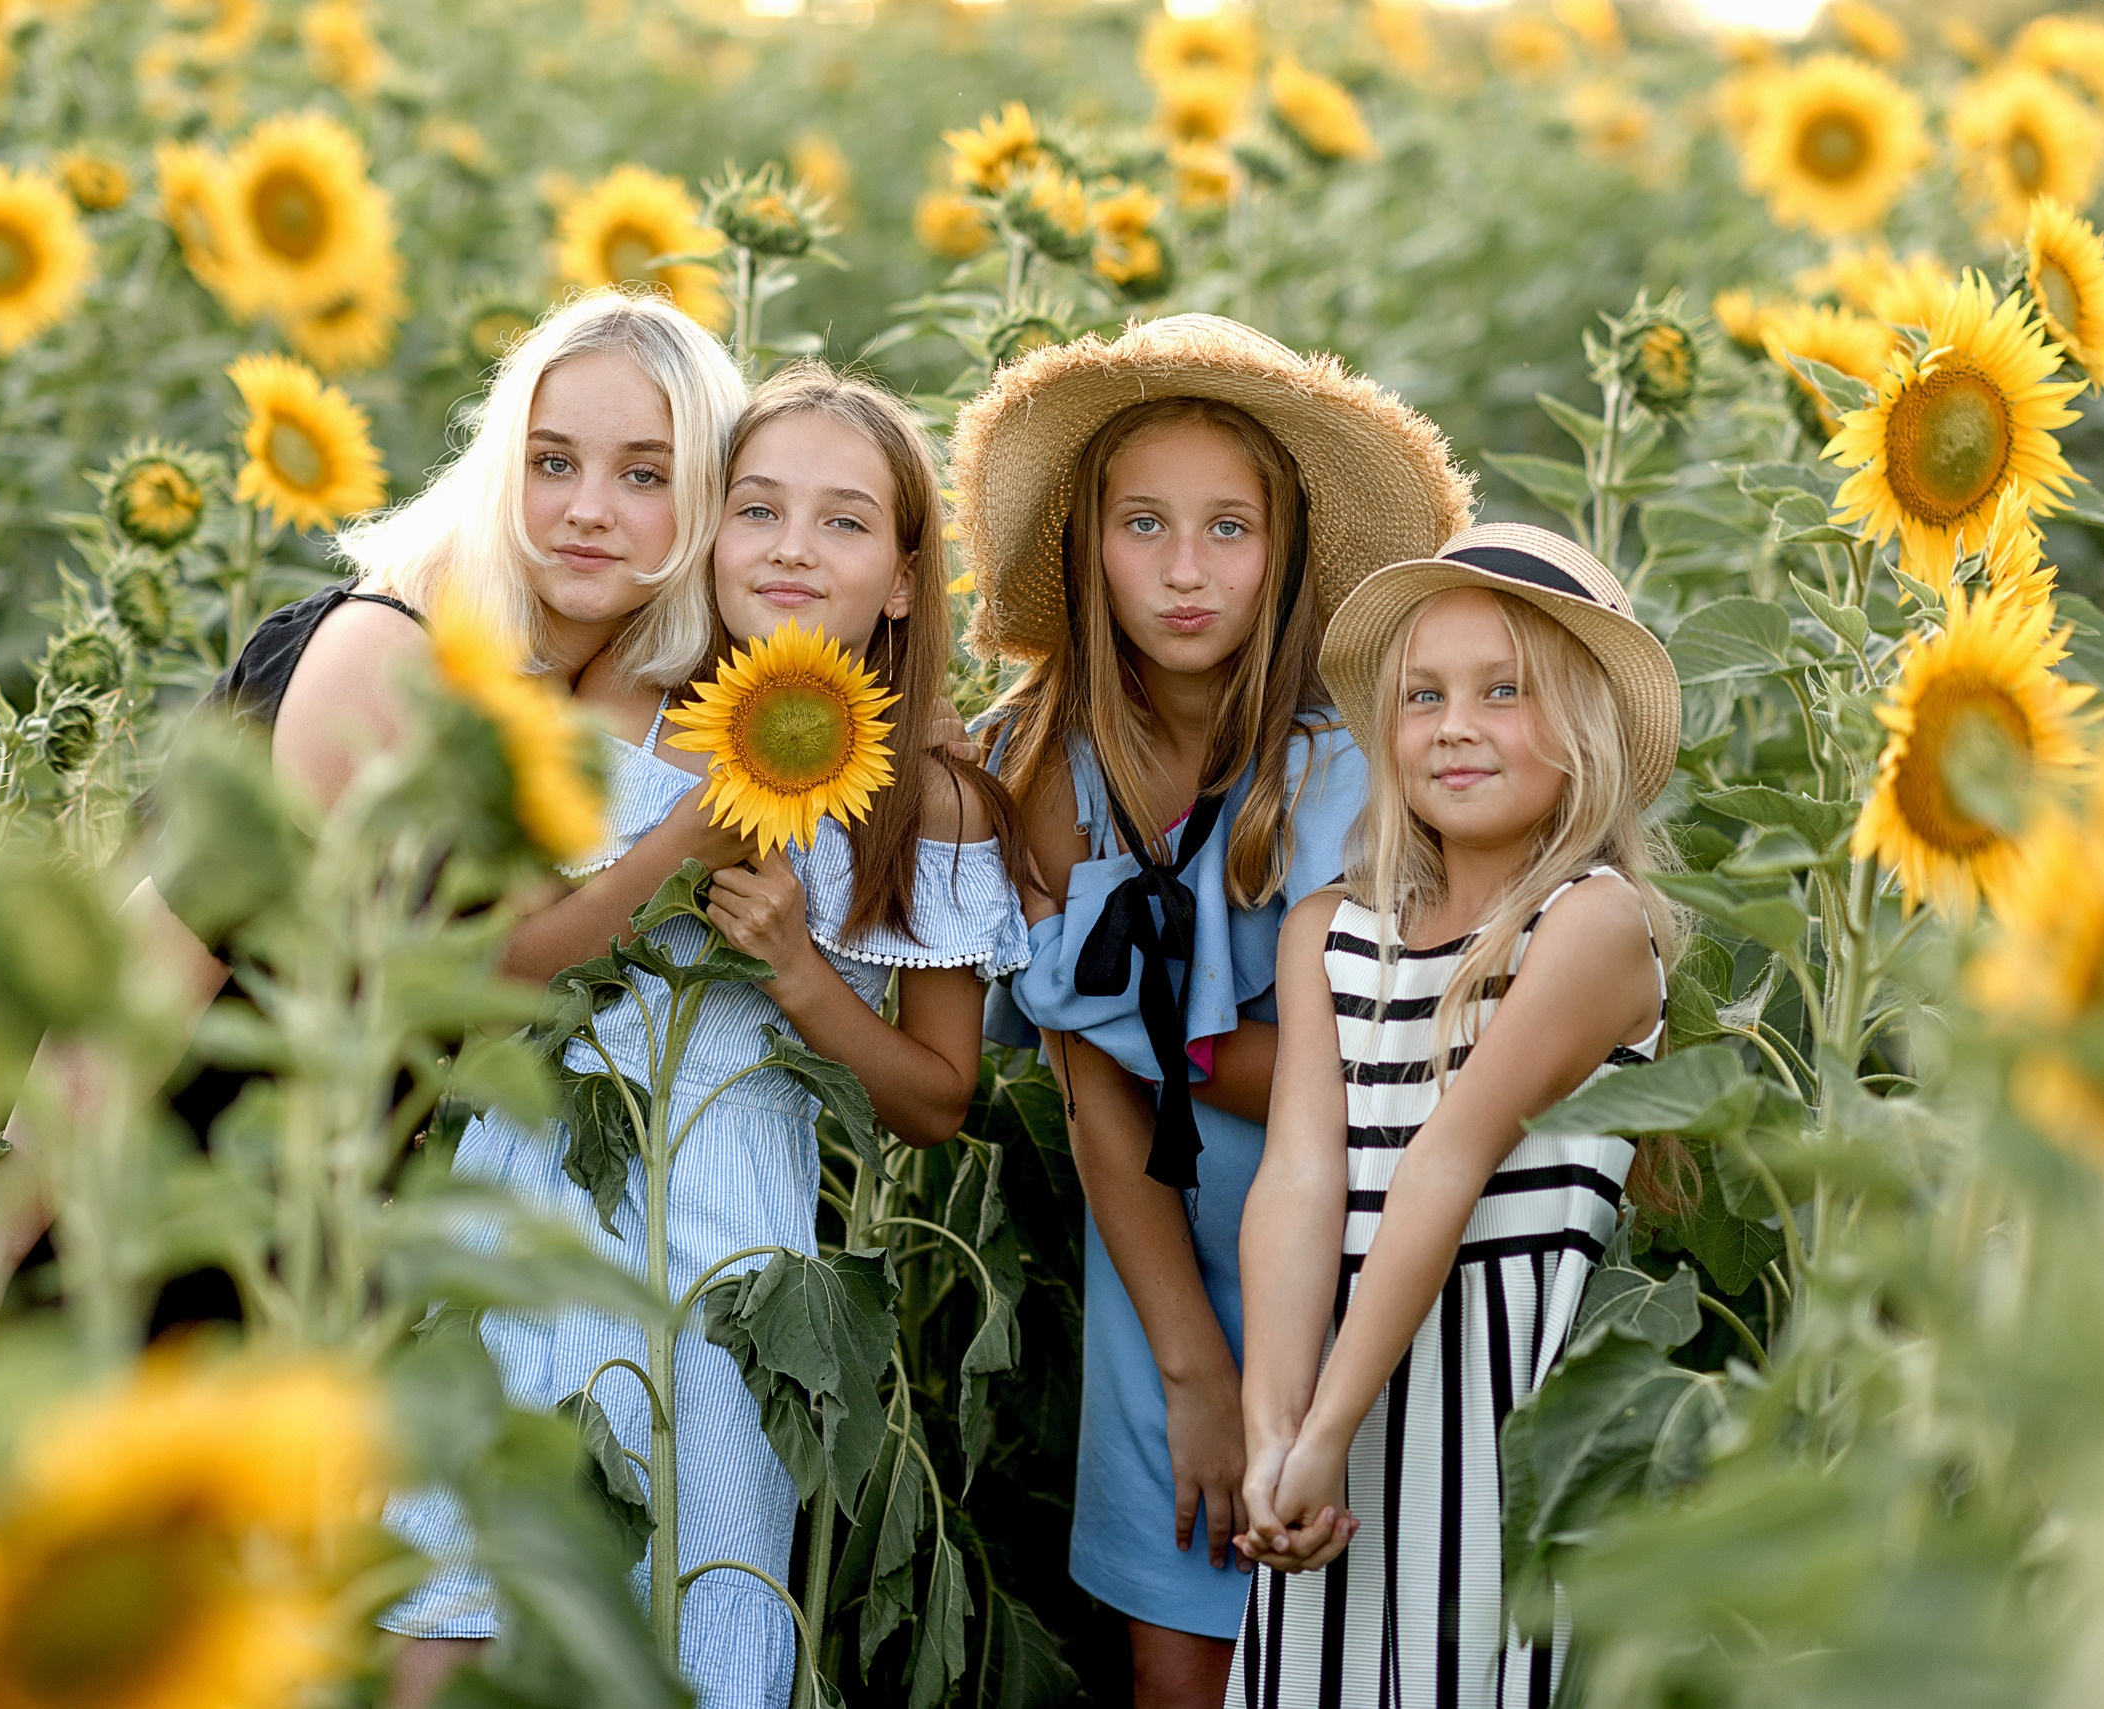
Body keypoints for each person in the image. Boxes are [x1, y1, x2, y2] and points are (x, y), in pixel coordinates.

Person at [0, 287, 749, 1357]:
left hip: (309, 1258)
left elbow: (507, 969)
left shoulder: (571, 695)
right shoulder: (388, 656)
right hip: (152, 1217)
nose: (587, 507)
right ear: (498, 471)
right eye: (550, 461)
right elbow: (153, 967)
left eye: (644, 473)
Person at [382, 363, 1031, 1709]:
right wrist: (679, 837)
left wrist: (801, 974)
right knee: (446, 1611)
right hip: (520, 1210)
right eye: (757, 509)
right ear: (707, 531)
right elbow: (493, 972)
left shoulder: (930, 796)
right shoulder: (606, 709)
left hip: (732, 1267)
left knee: (693, 1610)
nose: (794, 547)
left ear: (906, 580)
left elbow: (936, 1096)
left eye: (845, 523)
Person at [951, 314, 1472, 1705]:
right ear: (1086, 544)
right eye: (1144, 523)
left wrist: (1156, 1035)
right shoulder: (1041, 767)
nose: (1186, 571)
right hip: (1160, 1275)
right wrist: (1187, 1365)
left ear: (1289, 553)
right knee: (1180, 1653)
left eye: (1230, 528)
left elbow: (1362, 1077)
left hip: (1363, 1270)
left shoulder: (1348, 767)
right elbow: (1092, 1095)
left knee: (1355, 1639)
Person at [1225, 524, 1688, 1709]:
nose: (1454, 724)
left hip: (1487, 1438)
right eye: (1421, 695)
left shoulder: (1590, 924)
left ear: (1584, 731)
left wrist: (1327, 1424)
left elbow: (1447, 1162)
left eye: (1503, 692)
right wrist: (1274, 1435)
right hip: (1334, 1418)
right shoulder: (1327, 930)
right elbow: (1295, 1181)